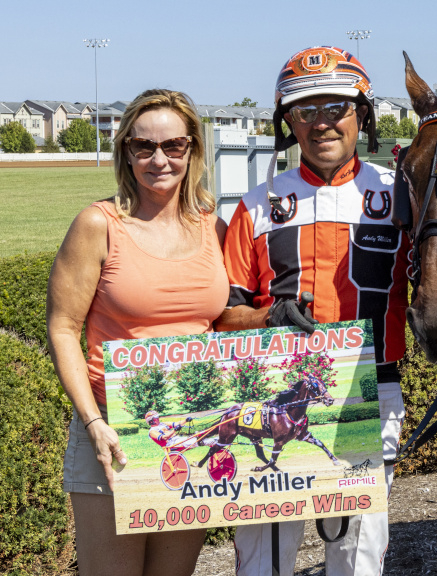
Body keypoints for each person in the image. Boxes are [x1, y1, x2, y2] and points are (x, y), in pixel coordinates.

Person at [217, 46, 408, 576]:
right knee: (264, 562)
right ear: (288, 123)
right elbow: (222, 317)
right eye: (305, 111)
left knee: (356, 560)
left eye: (336, 109)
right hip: (270, 395)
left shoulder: (400, 198)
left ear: (362, 115)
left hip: (371, 391)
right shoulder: (255, 206)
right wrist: (266, 319)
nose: (321, 123)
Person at [46, 88, 228, 576]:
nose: (159, 159)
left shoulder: (215, 225)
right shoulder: (97, 224)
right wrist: (92, 422)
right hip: (114, 431)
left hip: (195, 428)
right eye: (143, 146)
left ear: (193, 149)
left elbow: (224, 321)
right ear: (125, 151)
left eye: (174, 146)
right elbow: (62, 328)